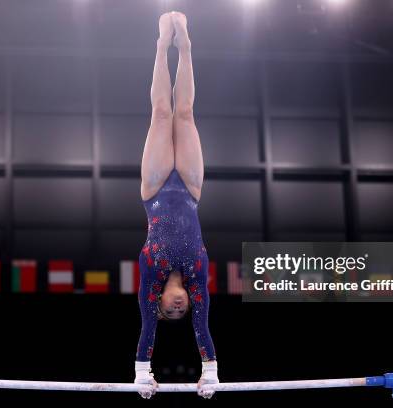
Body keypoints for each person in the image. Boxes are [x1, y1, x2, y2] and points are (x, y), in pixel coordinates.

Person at [134, 11, 218, 400]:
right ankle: (184, 47)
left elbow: (146, 328)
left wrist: (141, 374)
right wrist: (211, 373)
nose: (180, 306)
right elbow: (203, 327)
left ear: (160, 302)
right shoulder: (196, 274)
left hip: (153, 191)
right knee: (184, 114)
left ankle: (159, 45)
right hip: (189, 187)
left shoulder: (151, 275)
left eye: (171, 309)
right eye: (181, 310)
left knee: (161, 113)